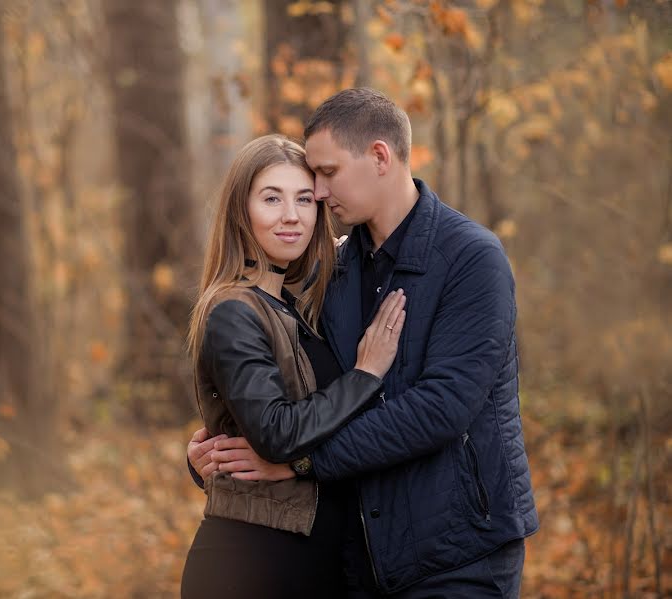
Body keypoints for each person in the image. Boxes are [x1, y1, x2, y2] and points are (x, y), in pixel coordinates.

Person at [187, 89, 539, 597]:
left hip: (459, 555)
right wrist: (217, 455)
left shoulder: (470, 259)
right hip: (360, 559)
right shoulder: (330, 271)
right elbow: (290, 400)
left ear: (379, 156)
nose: (320, 193)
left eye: (326, 175)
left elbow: (440, 409)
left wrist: (297, 463)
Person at [180, 134, 407, 599]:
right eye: (271, 198)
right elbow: (276, 434)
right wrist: (365, 374)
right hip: (250, 564)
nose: (292, 215)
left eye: (304, 199)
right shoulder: (234, 311)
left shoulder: (295, 307)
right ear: (241, 213)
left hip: (309, 561)